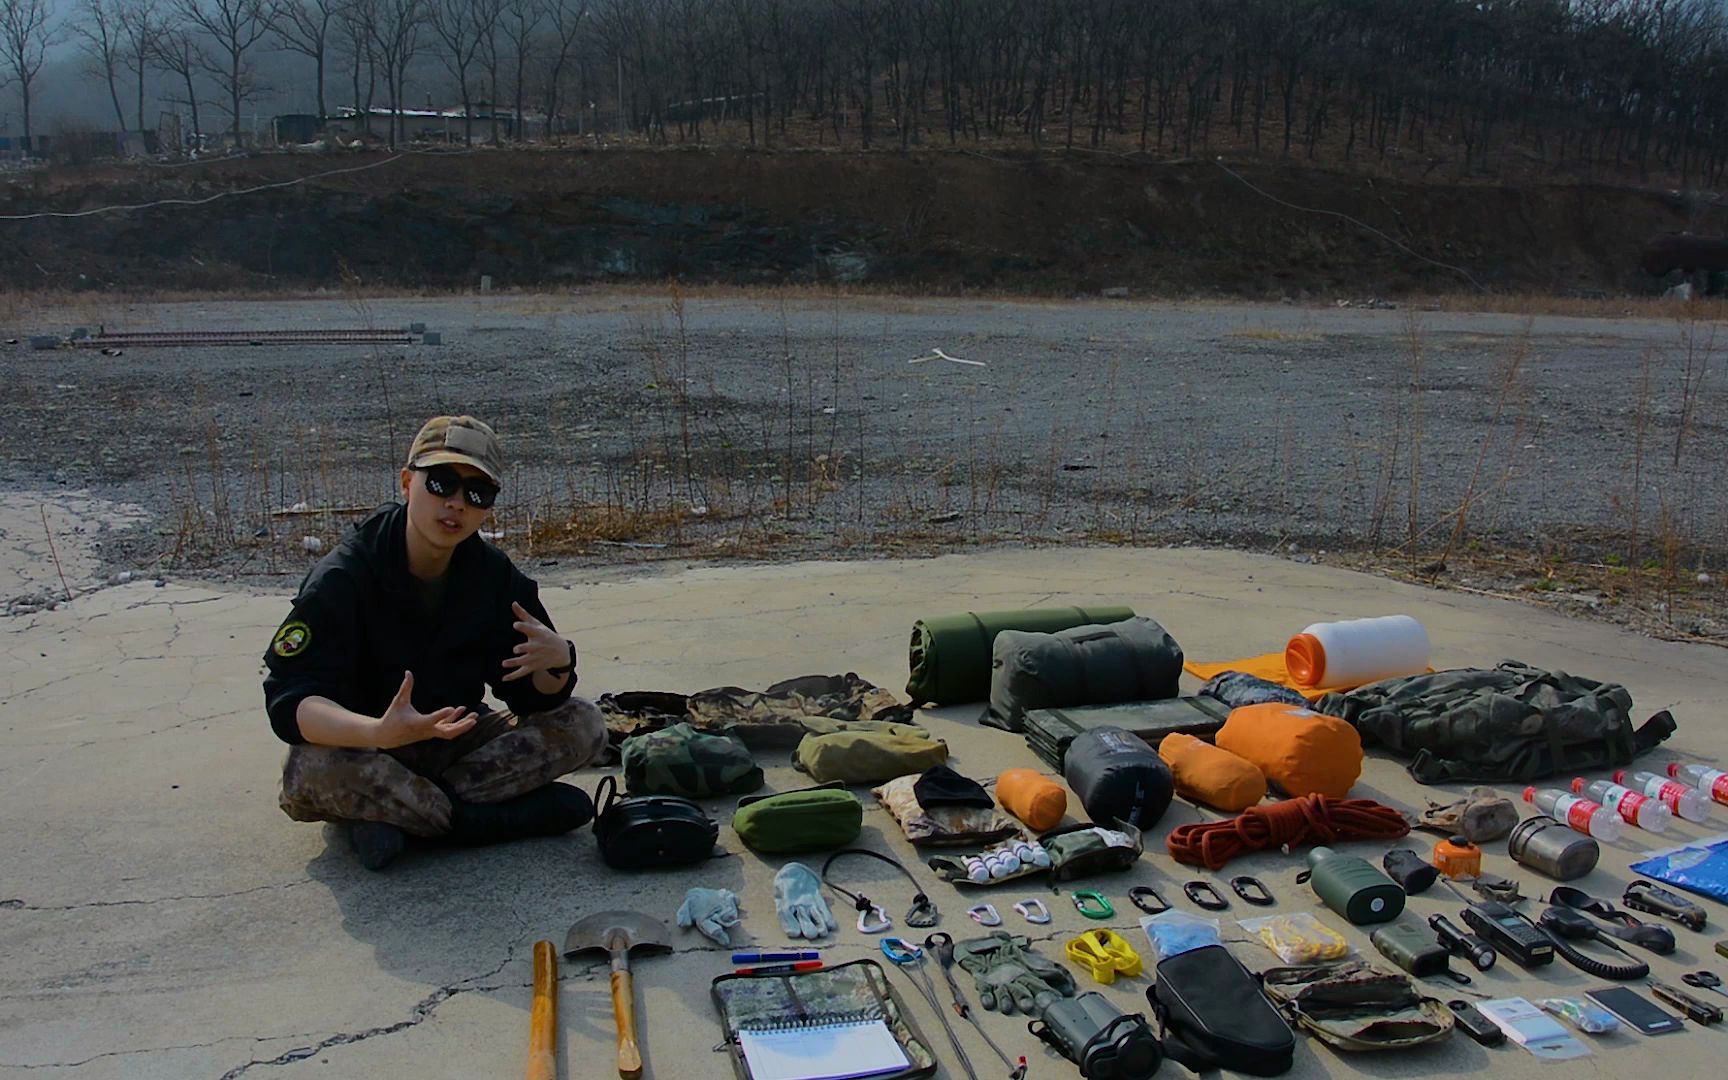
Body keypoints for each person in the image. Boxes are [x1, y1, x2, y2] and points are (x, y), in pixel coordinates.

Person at [263, 416, 607, 870]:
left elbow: (529, 695)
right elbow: (289, 699)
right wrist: (377, 732)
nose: (456, 505)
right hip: (366, 748)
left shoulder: (492, 577)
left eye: (476, 494)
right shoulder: (344, 577)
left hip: (456, 741)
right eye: (441, 483)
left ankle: (405, 817)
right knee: (308, 771)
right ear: (407, 483)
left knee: (584, 723)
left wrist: (559, 663)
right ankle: (487, 820)